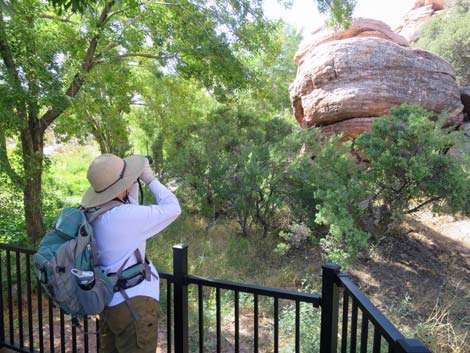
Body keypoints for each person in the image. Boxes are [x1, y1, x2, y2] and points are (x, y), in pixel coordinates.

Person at [81, 153, 181, 353]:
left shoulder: (94, 212)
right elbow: (173, 208)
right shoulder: (125, 217)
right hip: (134, 304)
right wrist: (149, 178)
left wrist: (130, 179)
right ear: (120, 186)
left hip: (108, 300)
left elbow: (127, 204)